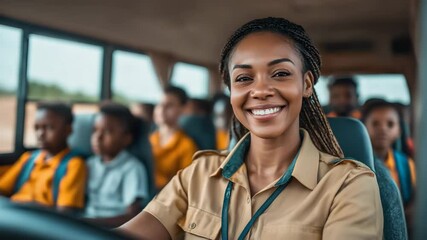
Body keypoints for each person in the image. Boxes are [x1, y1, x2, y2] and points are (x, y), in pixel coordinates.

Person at [120, 17, 383, 239]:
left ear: (306, 84)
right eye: (244, 79)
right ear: (232, 92)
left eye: (280, 74)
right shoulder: (198, 175)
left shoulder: (348, 186)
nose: (260, 91)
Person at [0, 102, 87, 213]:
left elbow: (65, 213)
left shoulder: (73, 164)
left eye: (49, 127)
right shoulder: (29, 158)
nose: (40, 133)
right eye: (37, 128)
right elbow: (3, 188)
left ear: (68, 130)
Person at [84, 102, 149, 228]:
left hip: (112, 230)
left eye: (107, 132)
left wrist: (93, 223)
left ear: (126, 139)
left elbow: (132, 216)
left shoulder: (132, 168)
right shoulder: (89, 164)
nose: (98, 137)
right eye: (95, 130)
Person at [362, 99, 416, 204]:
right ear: (364, 127)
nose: (382, 129)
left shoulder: (407, 164)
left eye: (390, 124)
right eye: (375, 123)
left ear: (399, 131)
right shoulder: (356, 163)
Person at [150, 86, 198, 190]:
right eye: (159, 104)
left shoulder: (186, 145)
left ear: (183, 109)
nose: (162, 109)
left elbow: (185, 184)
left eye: (169, 105)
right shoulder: (149, 139)